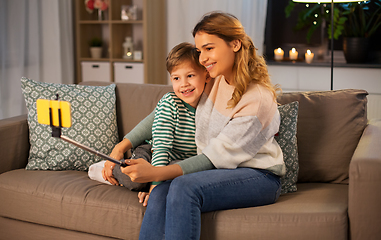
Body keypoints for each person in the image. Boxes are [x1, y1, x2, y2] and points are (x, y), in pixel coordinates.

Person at [117, 12, 285, 240]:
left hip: (259, 176)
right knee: (159, 193)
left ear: (235, 44)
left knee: (183, 187)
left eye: (209, 48)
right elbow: (164, 111)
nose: (203, 58)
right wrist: (122, 146)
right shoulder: (212, 79)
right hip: (216, 171)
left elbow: (213, 157)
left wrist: (155, 172)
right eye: (200, 51)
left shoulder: (257, 99)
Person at [96, 42, 211, 201]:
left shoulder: (212, 106)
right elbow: (161, 148)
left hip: (178, 159)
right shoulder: (170, 103)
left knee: (179, 178)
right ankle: (111, 167)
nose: (184, 84)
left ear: (206, 74)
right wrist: (154, 190)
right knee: (136, 181)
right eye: (176, 78)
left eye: (190, 75)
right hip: (152, 151)